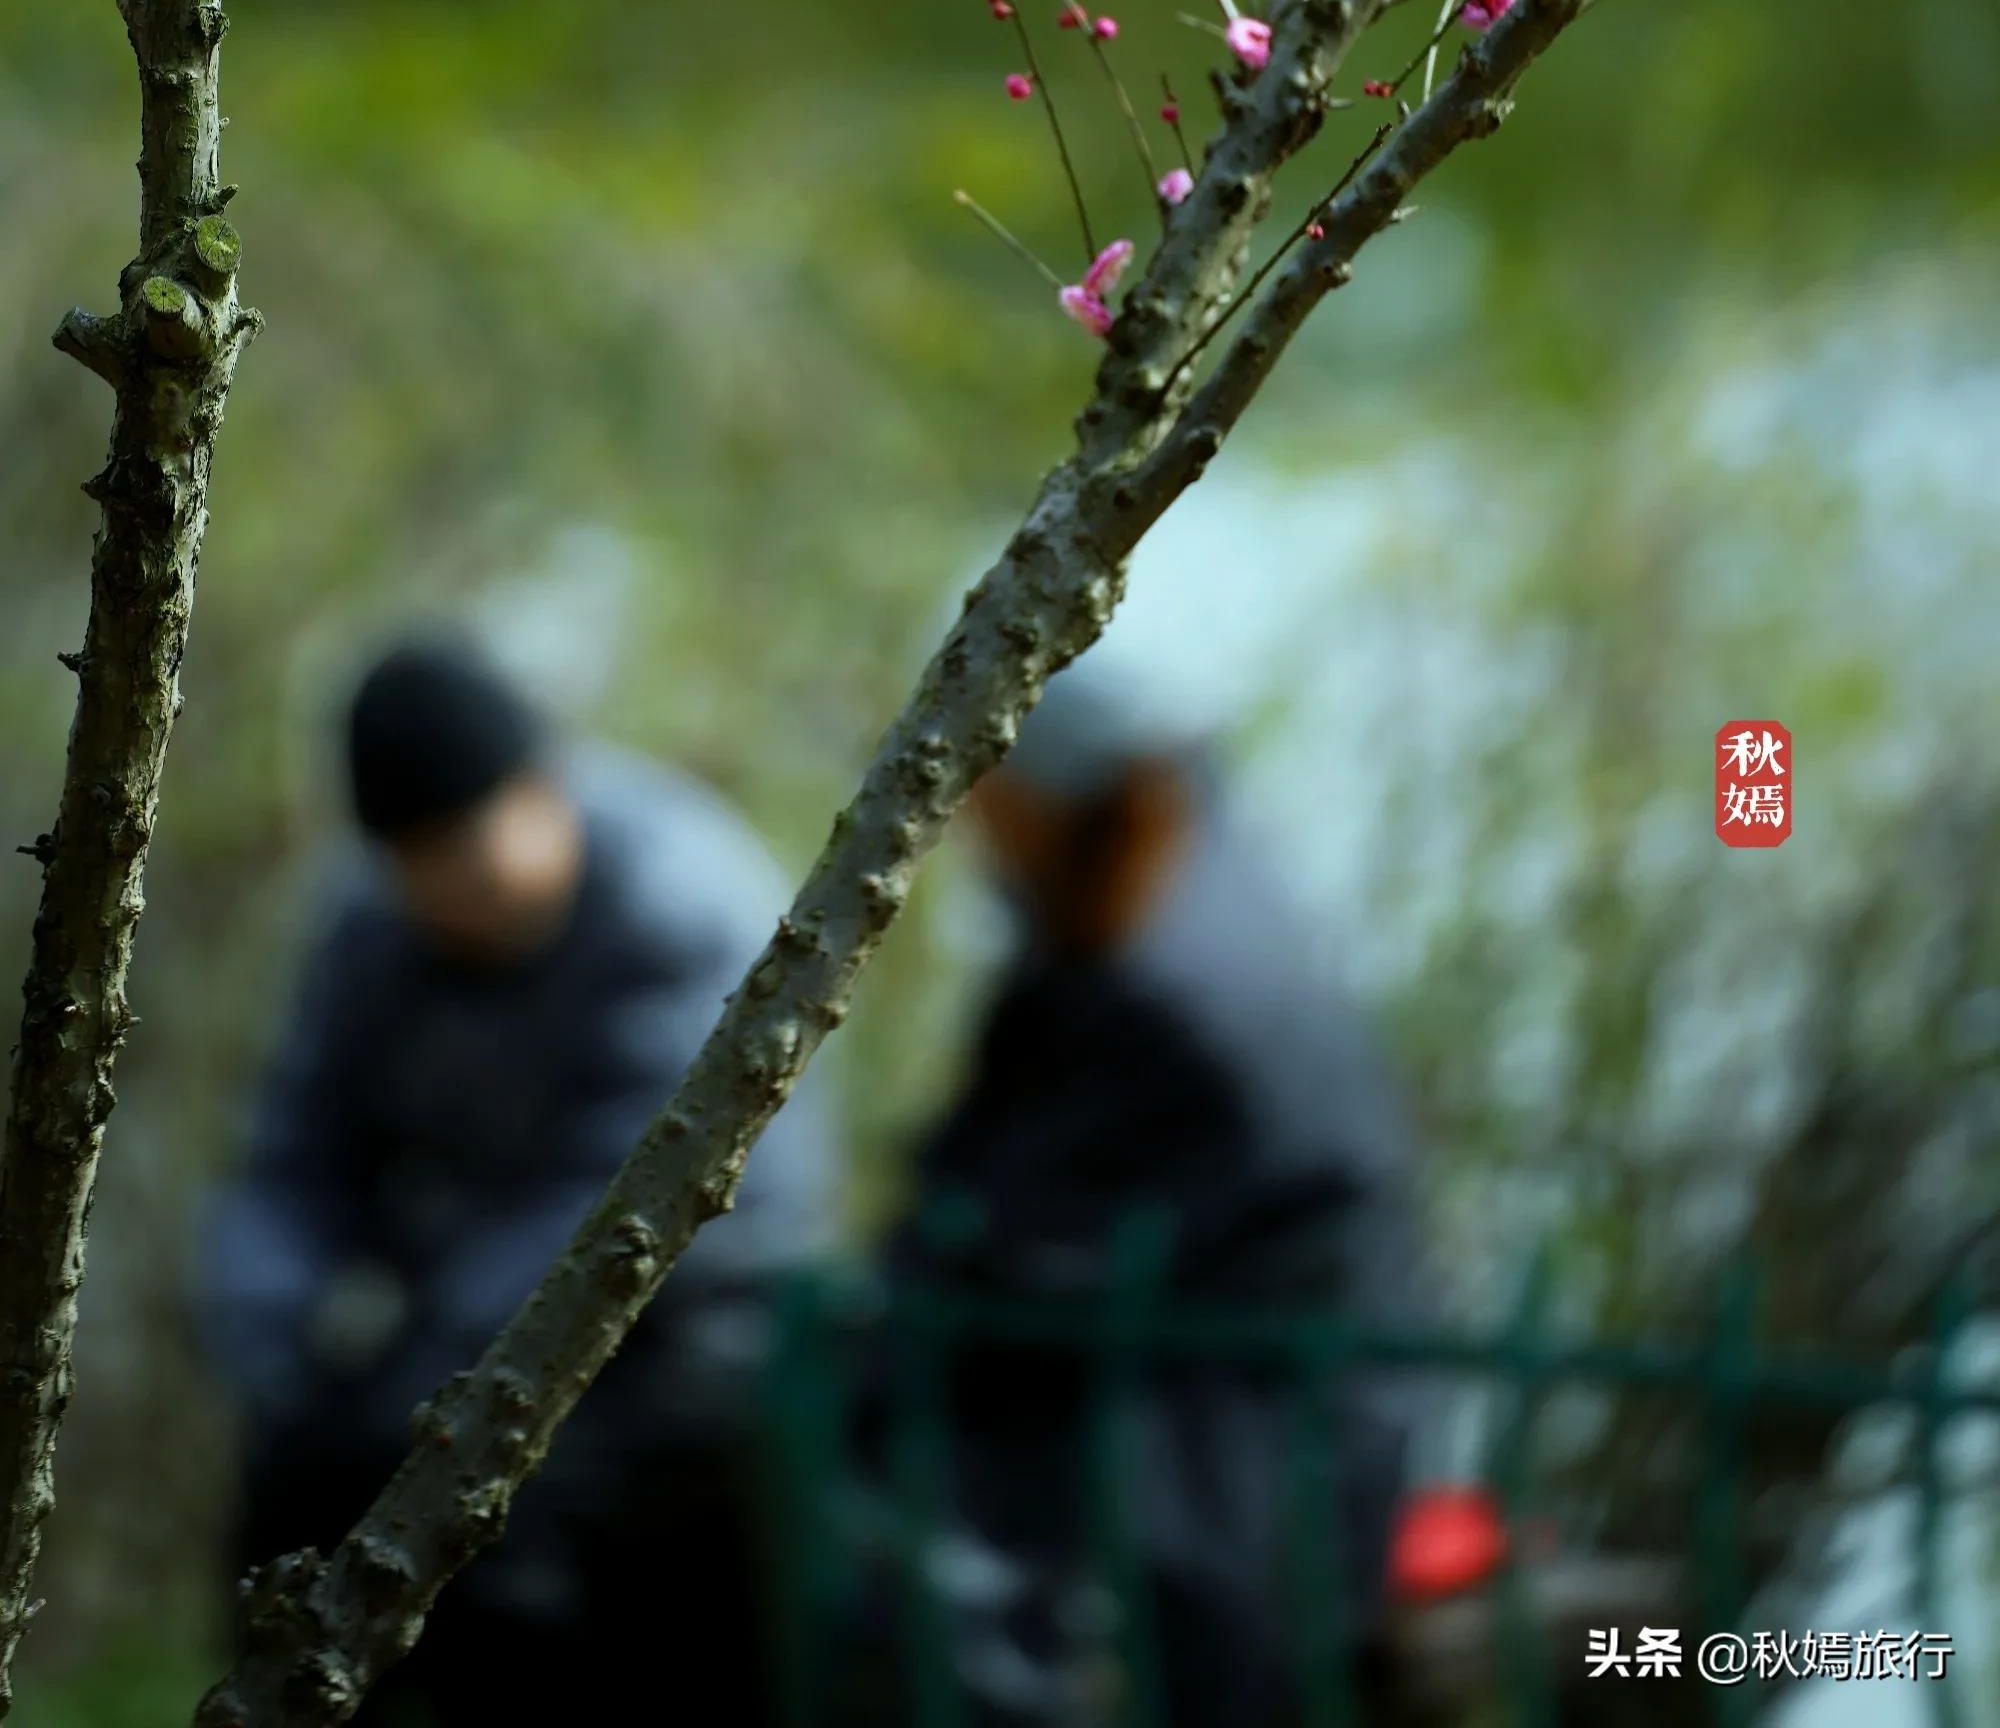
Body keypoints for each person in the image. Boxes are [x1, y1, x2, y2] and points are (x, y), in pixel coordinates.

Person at [200, 636, 831, 1723]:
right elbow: (290, 1158)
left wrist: (432, 1371)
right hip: (448, 1343)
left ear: (544, 791)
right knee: (291, 1498)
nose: (453, 903)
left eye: (474, 863)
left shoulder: (676, 904)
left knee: (533, 1578)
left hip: (686, 1340)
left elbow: (621, 1201)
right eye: (419, 873)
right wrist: (279, 1338)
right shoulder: (369, 924)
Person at [873, 660, 1431, 1727]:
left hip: (1236, 1445)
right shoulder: (1138, 917)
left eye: (992, 803)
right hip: (1221, 1410)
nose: (976, 834)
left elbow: (1027, 1242)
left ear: (1062, 801)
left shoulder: (1170, 980)